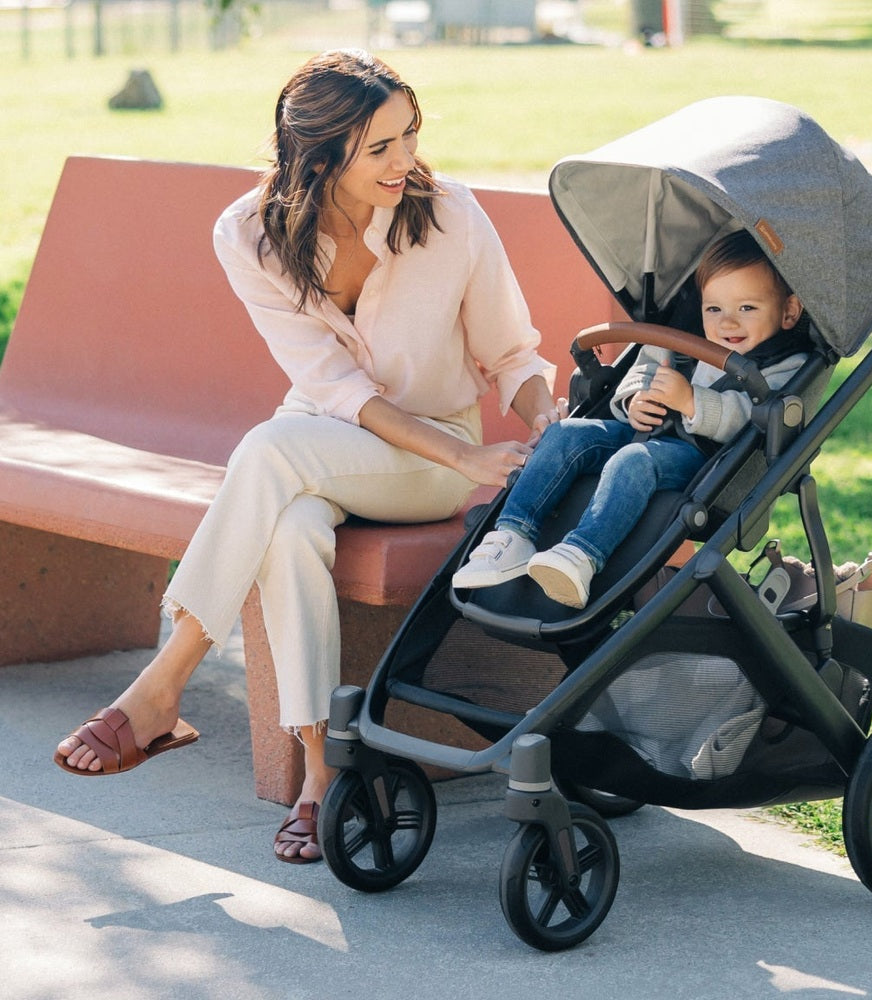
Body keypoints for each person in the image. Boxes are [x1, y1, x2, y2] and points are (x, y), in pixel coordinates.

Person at [53, 49, 567, 863]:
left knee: (267, 451)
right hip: (322, 440)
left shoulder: (452, 215)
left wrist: (547, 424)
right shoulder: (247, 232)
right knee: (288, 526)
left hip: (435, 459)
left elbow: (511, 354)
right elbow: (331, 388)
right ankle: (322, 778)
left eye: (410, 135)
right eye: (381, 148)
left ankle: (163, 685)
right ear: (318, 156)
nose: (406, 161)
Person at [452, 229, 809, 609]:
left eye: (747, 309)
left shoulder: (785, 363)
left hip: (701, 459)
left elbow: (751, 420)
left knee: (633, 460)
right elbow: (641, 371)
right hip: (640, 430)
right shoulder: (684, 334)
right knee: (565, 433)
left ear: (788, 311)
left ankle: (582, 555)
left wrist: (691, 402)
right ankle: (512, 535)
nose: (727, 324)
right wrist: (634, 400)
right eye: (714, 309)